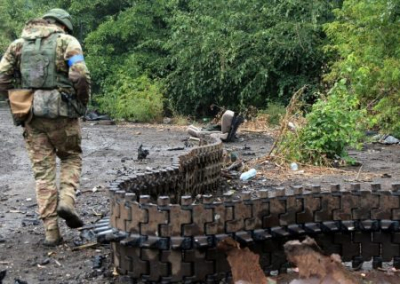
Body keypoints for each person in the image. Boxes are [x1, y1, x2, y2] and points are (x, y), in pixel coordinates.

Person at [0, 9, 91, 246]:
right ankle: (67, 200)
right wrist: (82, 102)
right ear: (63, 25)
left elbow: (2, 76)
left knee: (43, 174)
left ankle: (51, 232)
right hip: (63, 113)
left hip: (31, 114)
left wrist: (13, 99)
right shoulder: (67, 42)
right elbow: (80, 74)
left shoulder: (18, 45)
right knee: (71, 157)